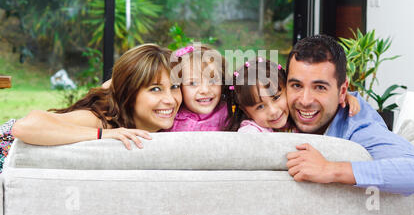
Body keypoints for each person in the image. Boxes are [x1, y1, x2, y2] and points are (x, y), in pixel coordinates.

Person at [284, 35, 414, 195]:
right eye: (296, 85)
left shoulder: (361, 127)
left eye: (320, 87)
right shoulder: (277, 108)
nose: (305, 100)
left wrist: (330, 169)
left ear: (342, 91)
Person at [9, 43, 182, 153]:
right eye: (155, 89)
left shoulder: (182, 109)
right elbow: (23, 128)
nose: (170, 100)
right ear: (129, 93)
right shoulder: (102, 118)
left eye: (175, 87)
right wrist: (104, 134)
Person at [225, 57, 361, 133]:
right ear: (246, 111)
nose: (273, 111)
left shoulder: (297, 116)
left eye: (276, 97)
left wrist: (343, 96)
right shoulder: (252, 131)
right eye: (260, 107)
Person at [164, 44, 231, 131]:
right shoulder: (168, 116)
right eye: (193, 83)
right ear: (179, 87)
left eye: (213, 81)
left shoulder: (230, 113)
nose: (205, 90)